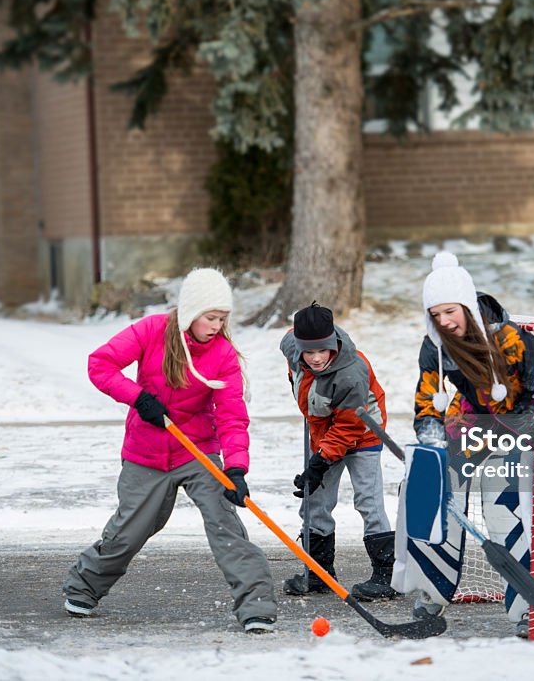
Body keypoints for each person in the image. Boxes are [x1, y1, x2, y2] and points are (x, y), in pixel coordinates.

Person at [62, 268, 278, 634]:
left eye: (223, 318)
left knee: (225, 525)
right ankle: (83, 588)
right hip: (146, 451)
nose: (216, 325)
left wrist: (236, 469)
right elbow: (100, 364)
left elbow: (231, 416)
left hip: (196, 449)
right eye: (210, 317)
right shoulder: (151, 331)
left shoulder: (222, 354)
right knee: (130, 531)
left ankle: (256, 607)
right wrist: (139, 398)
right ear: (190, 311)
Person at [394, 251, 534, 634]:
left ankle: (527, 605)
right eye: (436, 314)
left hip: (515, 424)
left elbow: (532, 394)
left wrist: (523, 434)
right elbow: (427, 399)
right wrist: (429, 440)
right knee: (434, 489)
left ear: (466, 305)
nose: (444, 321)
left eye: (450, 312)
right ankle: (430, 590)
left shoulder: (509, 338)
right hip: (470, 421)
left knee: (504, 502)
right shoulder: (434, 346)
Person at [280, 302, 397, 601]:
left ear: (333, 343)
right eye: (310, 352)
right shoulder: (292, 351)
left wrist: (318, 463)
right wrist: (317, 462)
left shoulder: (351, 372)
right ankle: (319, 574)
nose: (317, 358)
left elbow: (348, 428)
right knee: (315, 500)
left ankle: (385, 577)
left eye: (323, 350)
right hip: (323, 433)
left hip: (363, 434)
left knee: (368, 502)